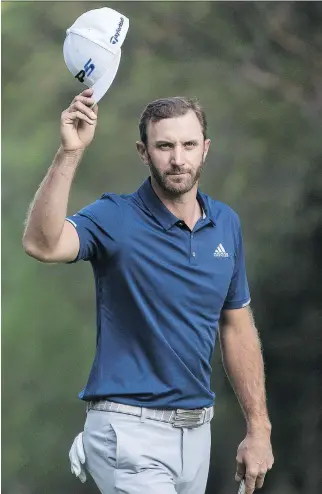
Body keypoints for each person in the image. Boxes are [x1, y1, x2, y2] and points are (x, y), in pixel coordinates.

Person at [22, 88, 274, 494]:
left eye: (189, 145)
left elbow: (236, 326)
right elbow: (42, 244)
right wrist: (69, 152)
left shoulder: (226, 223)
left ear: (205, 149)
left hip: (197, 434)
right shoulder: (115, 216)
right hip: (128, 431)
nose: (178, 158)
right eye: (164, 146)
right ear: (144, 152)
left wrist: (258, 427)